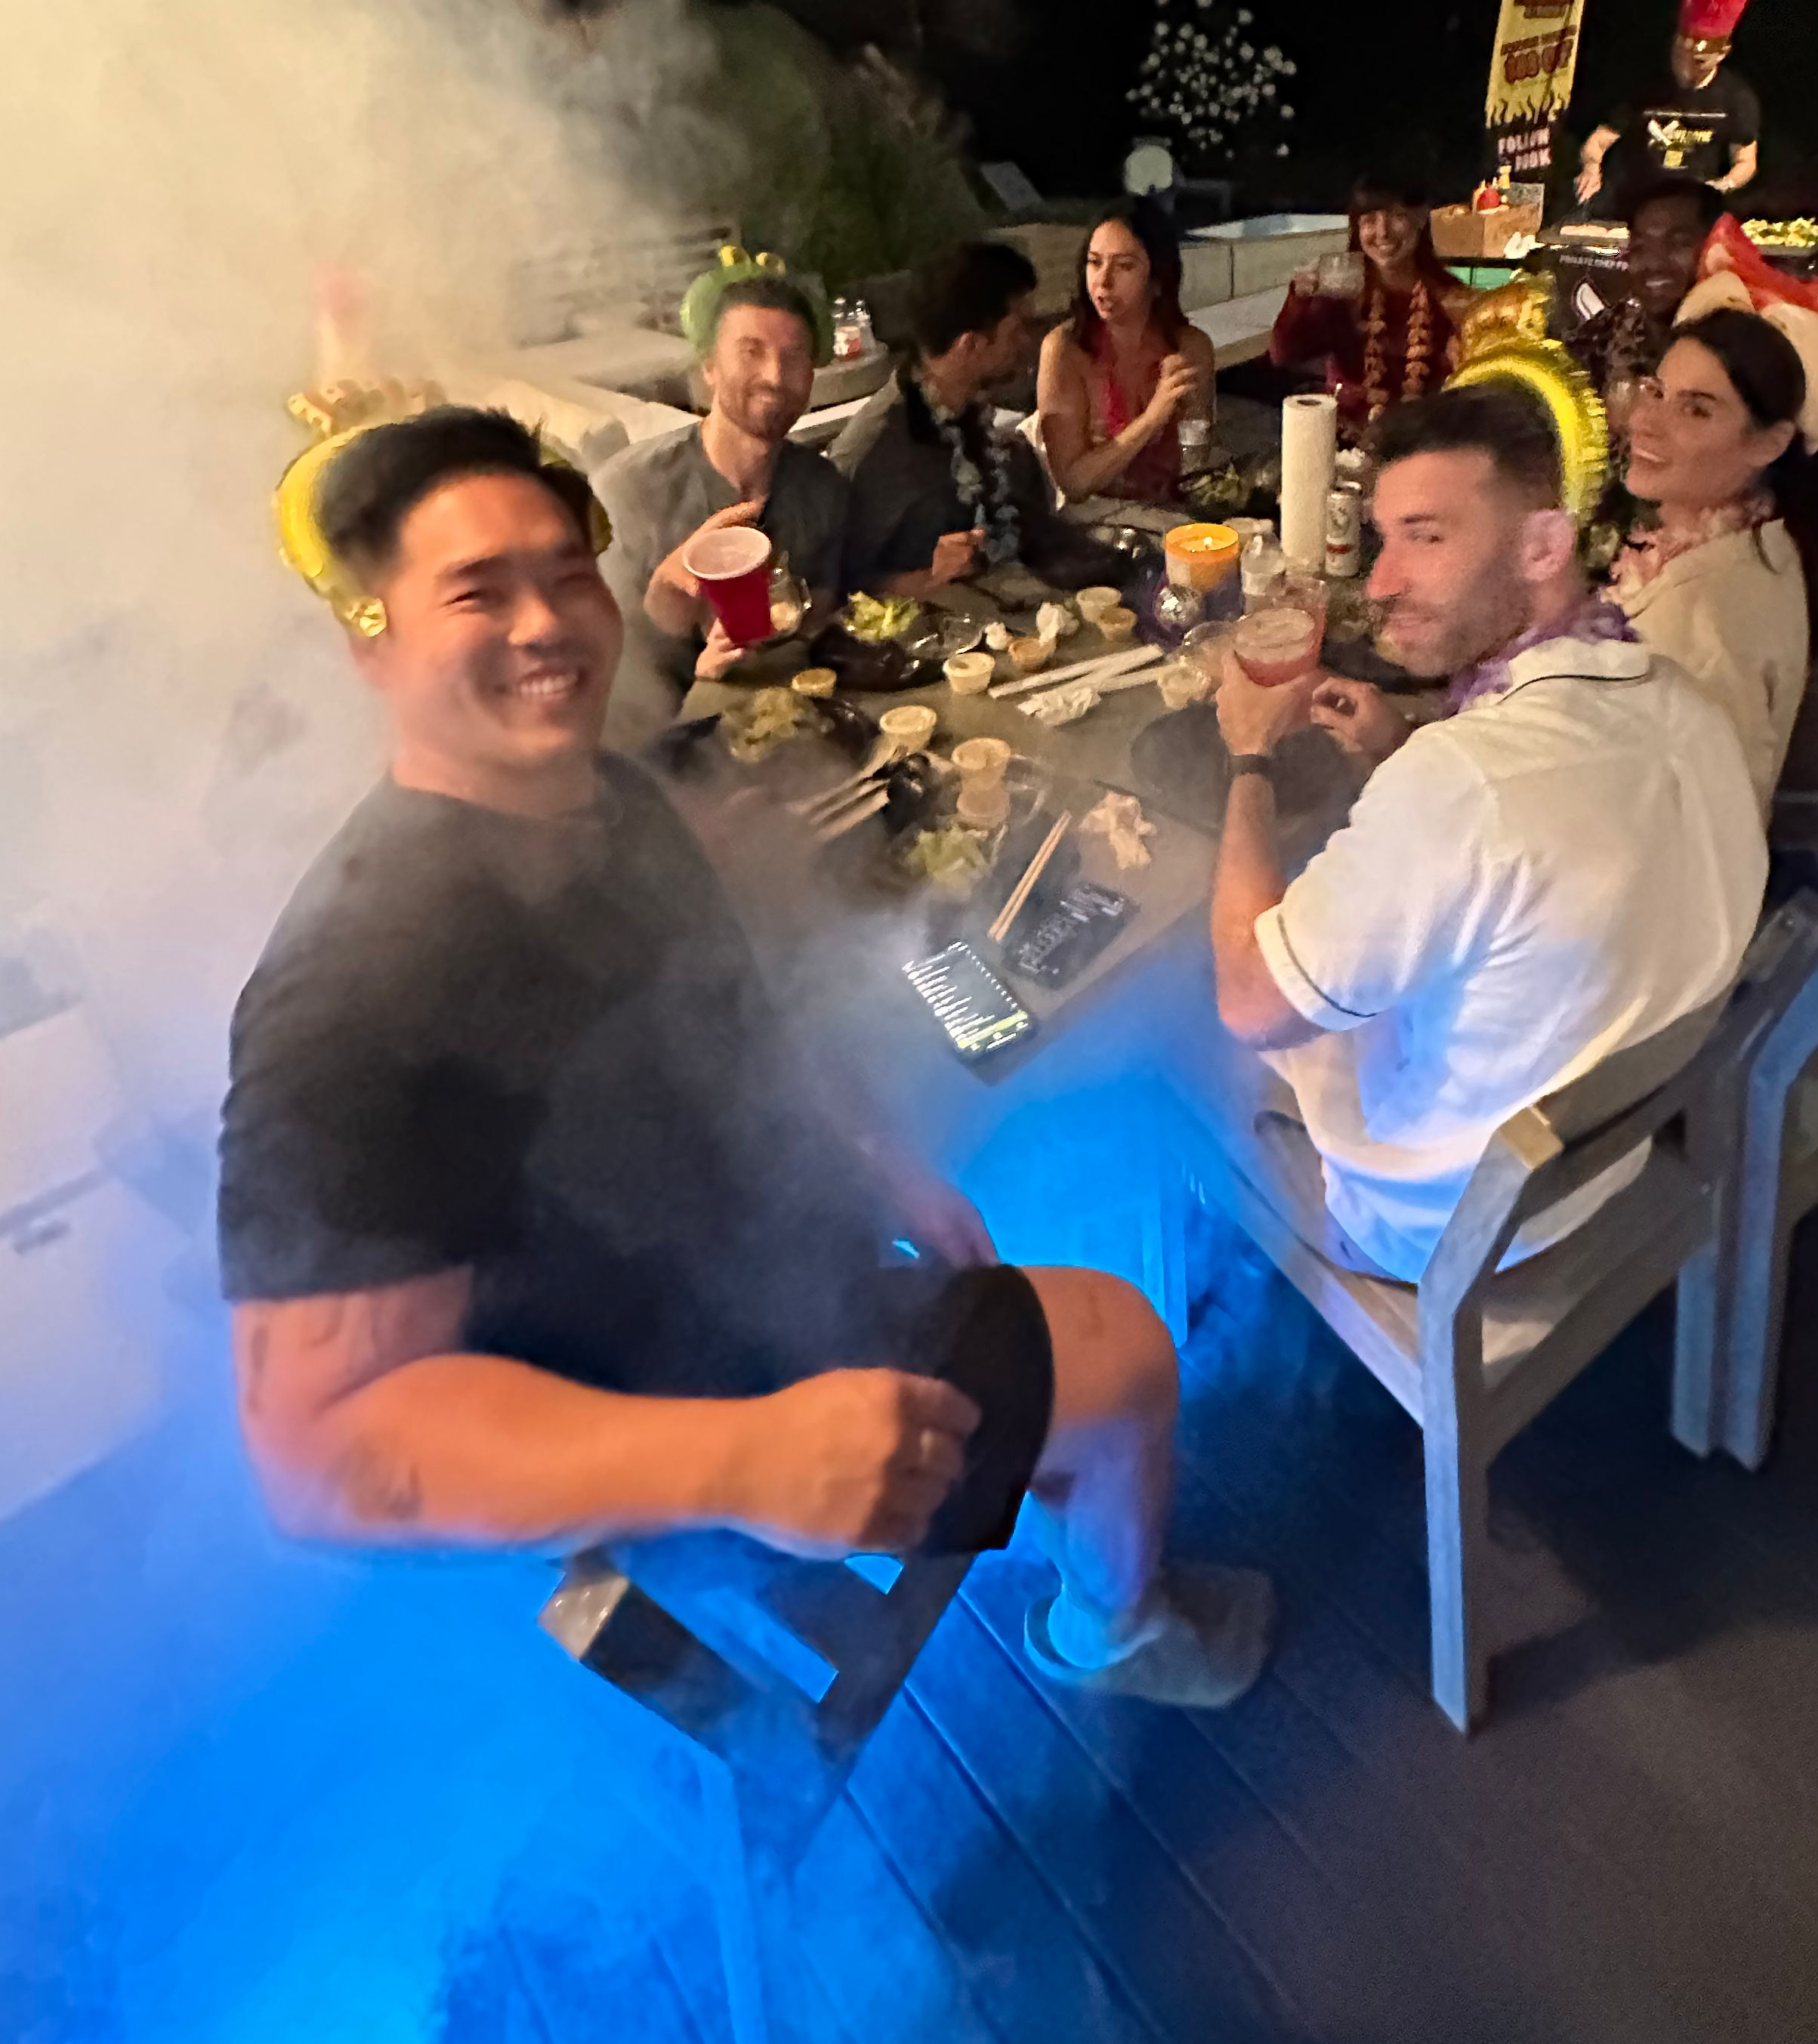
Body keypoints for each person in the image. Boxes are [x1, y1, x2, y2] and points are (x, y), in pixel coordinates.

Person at [222, 406, 1270, 1706]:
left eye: (564, 574)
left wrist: (873, 1155)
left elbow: (729, 1011)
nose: (546, 621)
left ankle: (1048, 1490)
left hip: (757, 1268)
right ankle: (1112, 1634)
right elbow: (315, 1451)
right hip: (664, 1423)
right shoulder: (350, 992)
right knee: (1123, 1346)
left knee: (1016, 1209)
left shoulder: (601, 802)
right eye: (477, 592)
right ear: (369, 639)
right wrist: (740, 1456)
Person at [1205, 386, 1764, 1284]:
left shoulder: (1463, 784)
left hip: (1448, 1231)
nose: (1382, 583)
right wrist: (1402, 748)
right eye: (1385, 541)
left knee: (1184, 1044)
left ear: (1543, 545)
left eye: (1427, 538)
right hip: (1607, 1155)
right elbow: (1524, 828)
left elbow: (1249, 1001)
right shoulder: (1684, 705)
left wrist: (1248, 757)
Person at [592, 246, 848, 746]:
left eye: (794, 357)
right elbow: (611, 688)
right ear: (709, 368)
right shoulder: (632, 489)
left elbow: (821, 618)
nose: (776, 376)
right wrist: (703, 675)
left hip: (799, 736)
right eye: (751, 352)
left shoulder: (823, 488)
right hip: (671, 757)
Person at [1615, 306, 1818, 817]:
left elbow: (1704, 826)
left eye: (1696, 409)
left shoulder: (1703, 621)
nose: (1646, 422)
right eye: (1655, 392)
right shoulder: (1761, 539)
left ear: (1769, 443)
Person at [831, 240, 1057, 599]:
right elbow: (834, 588)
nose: (1029, 343)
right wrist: (928, 577)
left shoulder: (972, 414)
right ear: (970, 346)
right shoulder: (875, 450)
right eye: (1017, 331)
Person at [1036, 201, 1216, 502]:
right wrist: (1153, 417)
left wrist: (1187, 409)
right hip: (1095, 516)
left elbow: (1196, 460)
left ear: (1157, 279)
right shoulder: (1066, 349)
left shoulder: (1190, 346)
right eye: (1095, 263)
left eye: (1124, 266)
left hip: (1170, 508)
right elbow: (1074, 483)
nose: (1103, 281)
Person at [1267, 173, 1468, 435]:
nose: (1382, 232)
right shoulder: (1342, 293)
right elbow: (1283, 355)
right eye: (1369, 220)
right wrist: (1299, 299)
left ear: (1420, 218)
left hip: (1424, 446)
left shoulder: (1451, 300)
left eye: (1396, 216)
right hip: (1347, 445)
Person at [1576, 0, 1761, 208]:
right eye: (1693, 40)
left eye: (1711, 46)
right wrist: (1591, 168)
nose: (1700, 50)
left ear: (1724, 53)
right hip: (1635, 205)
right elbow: (1598, 141)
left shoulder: (1737, 96)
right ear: (1677, 40)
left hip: (1693, 208)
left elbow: (1746, 160)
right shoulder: (1644, 87)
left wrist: (1724, 185)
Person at [1569, 169, 1723, 428]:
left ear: (1717, 247)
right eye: (1640, 247)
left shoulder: (1743, 351)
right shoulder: (1605, 336)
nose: (1653, 263)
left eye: (1678, 243)